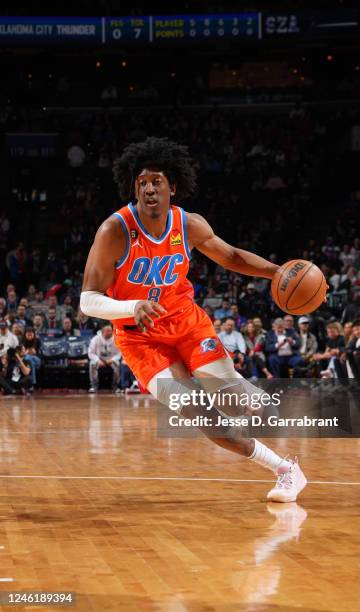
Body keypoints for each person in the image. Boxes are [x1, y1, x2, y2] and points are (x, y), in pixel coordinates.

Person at [80, 137, 307, 503]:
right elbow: (87, 300)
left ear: (173, 186)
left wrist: (276, 271)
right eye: (142, 182)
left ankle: (247, 393)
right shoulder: (115, 231)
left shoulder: (188, 224)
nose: (149, 188)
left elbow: (231, 255)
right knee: (200, 414)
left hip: (187, 323)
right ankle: (285, 469)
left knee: (234, 401)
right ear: (133, 188)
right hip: (140, 340)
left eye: (157, 180)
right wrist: (130, 306)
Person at [87, 323, 122, 393]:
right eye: (108, 331)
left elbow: (120, 353)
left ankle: (116, 387)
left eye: (111, 330)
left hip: (111, 360)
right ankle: (94, 386)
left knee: (117, 364)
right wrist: (97, 360)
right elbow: (90, 353)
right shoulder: (95, 339)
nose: (110, 332)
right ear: (103, 331)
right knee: (92, 364)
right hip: (99, 360)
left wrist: (112, 360)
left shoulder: (116, 339)